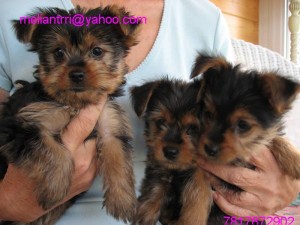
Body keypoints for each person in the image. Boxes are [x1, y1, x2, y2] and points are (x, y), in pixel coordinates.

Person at [0, 0, 299, 224]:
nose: (78, 69)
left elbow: (242, 118)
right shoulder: (12, 8)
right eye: (59, 54)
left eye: (96, 53)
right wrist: (9, 201)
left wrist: (283, 188)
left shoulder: (205, 19)